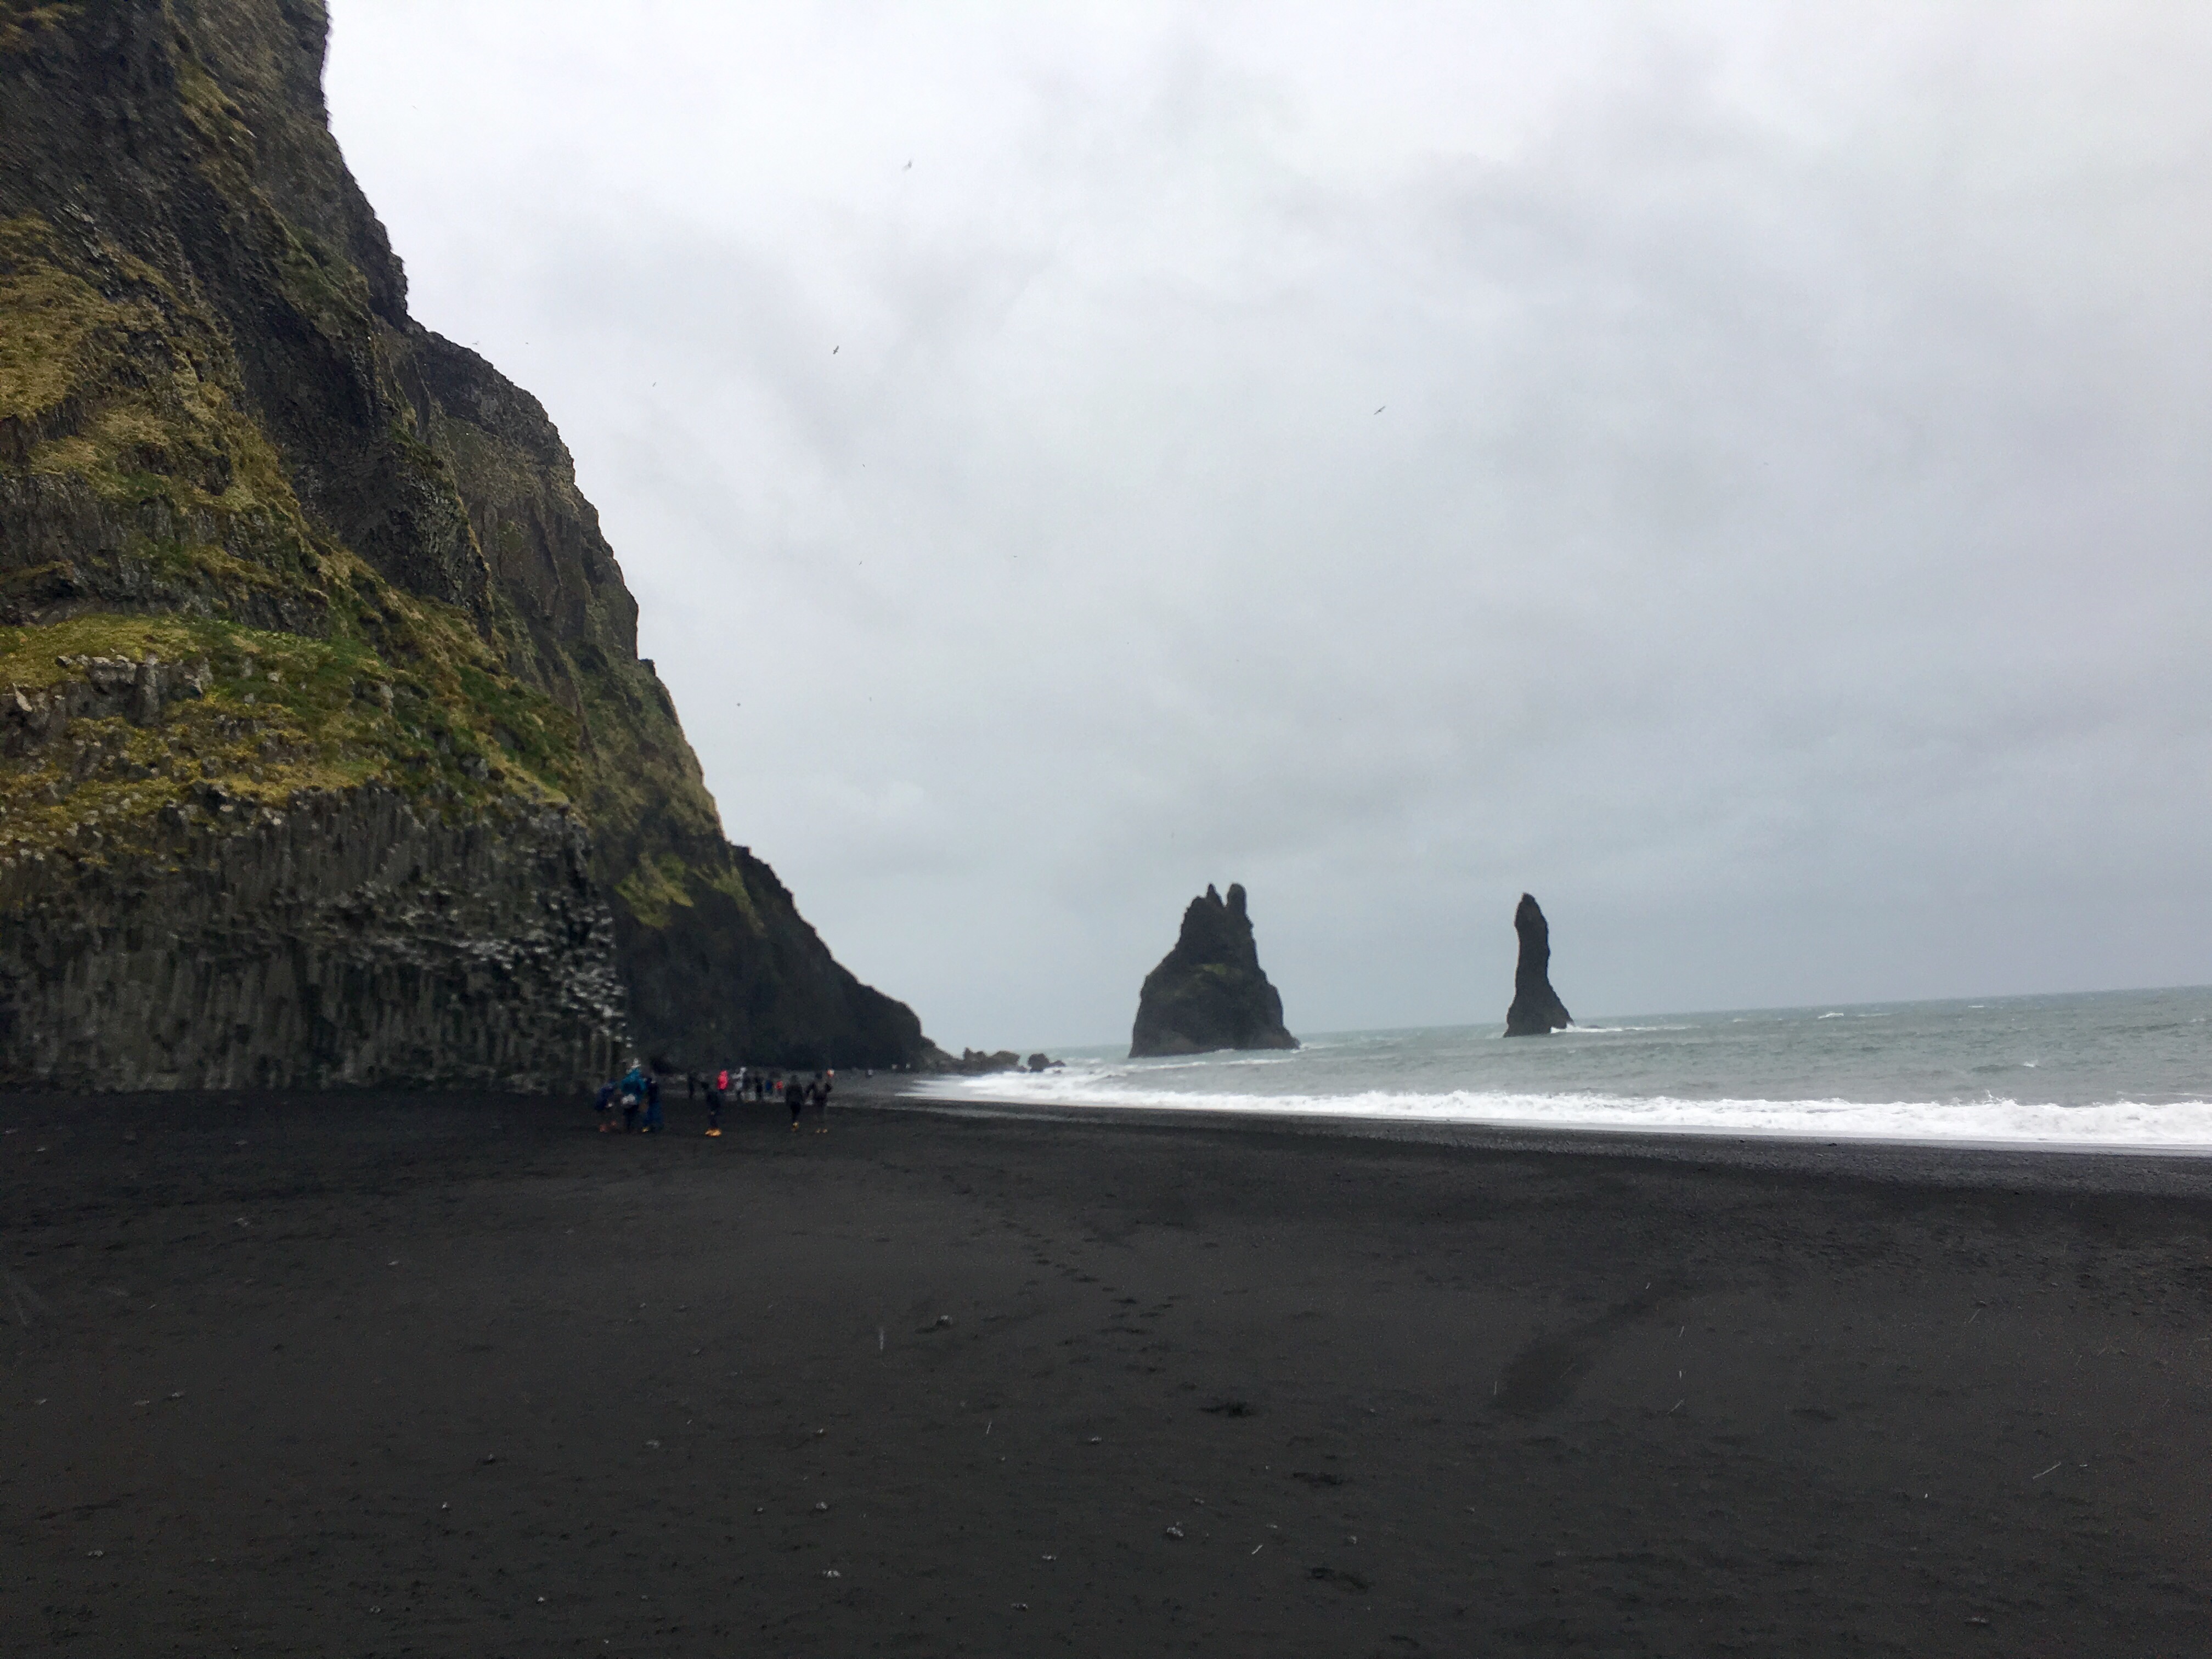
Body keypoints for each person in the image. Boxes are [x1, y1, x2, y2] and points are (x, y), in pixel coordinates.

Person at [642, 1070, 664, 1134]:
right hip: (653, 1100)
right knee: (654, 1113)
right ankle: (655, 1126)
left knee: (650, 1113)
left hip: (651, 1100)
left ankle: (649, 1127)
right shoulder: (654, 1084)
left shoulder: (648, 1083)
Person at [815, 1069, 833, 1133]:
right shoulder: (825, 1083)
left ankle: (818, 1129)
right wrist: (826, 1091)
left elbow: (808, 1090)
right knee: (824, 1115)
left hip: (817, 1100)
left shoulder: (815, 1083)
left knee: (818, 1115)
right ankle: (824, 1129)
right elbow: (830, 1088)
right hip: (824, 1100)